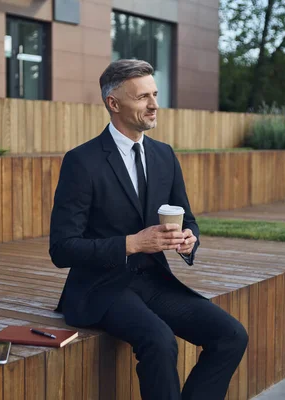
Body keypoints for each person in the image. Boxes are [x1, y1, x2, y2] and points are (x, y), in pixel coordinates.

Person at [49, 59, 248, 400]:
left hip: (154, 281)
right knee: (159, 340)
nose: (155, 104)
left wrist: (188, 241)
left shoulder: (164, 156)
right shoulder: (82, 161)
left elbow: (188, 220)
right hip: (101, 287)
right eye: (143, 97)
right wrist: (132, 243)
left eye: (155, 94)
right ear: (113, 103)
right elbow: (62, 248)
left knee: (231, 335)